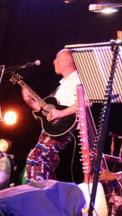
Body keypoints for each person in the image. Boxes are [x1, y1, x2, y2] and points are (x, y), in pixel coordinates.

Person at [22, 48, 81, 182]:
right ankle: (48, 195)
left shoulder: (78, 79)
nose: (54, 62)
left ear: (66, 60)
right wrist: (29, 101)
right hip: (52, 129)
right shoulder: (62, 85)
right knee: (45, 162)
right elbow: (45, 110)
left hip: (63, 128)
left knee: (36, 158)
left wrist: (61, 113)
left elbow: (86, 103)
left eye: (56, 58)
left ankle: (39, 196)